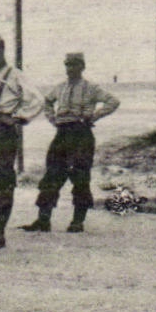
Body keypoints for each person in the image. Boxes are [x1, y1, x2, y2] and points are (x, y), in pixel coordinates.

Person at [20, 52, 120, 234]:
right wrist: (52, 119)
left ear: (82, 67)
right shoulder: (60, 87)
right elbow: (47, 101)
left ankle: (77, 221)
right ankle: (43, 220)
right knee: (51, 175)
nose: (70, 69)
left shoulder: (91, 88)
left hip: (81, 134)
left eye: (74, 65)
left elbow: (113, 101)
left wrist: (94, 116)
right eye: (67, 65)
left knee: (80, 177)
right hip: (62, 134)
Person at [0, 32, 44, 249]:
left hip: (2, 132)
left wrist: (16, 118)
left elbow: (37, 100)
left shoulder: (15, 75)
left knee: (4, 182)